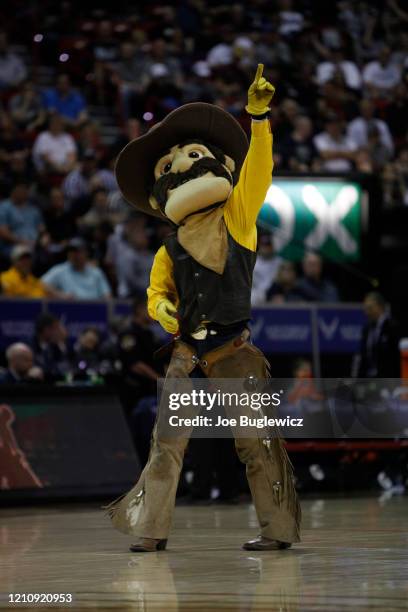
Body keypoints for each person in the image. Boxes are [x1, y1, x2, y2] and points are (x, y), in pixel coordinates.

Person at [105, 65, 301, 553]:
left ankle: (276, 531)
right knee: (166, 445)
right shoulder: (166, 248)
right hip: (186, 351)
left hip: (235, 348)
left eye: (193, 157)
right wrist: (164, 311)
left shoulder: (237, 216)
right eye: (168, 167)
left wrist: (258, 117)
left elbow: (260, 170)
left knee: (256, 443)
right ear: (158, 195)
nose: (182, 168)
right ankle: (151, 530)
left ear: (222, 168)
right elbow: (156, 295)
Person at [42, 237, 111, 299]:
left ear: (86, 252)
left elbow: (107, 295)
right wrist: (60, 295)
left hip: (94, 310)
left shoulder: (96, 272)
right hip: (70, 310)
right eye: (71, 251)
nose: (75, 255)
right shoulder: (60, 270)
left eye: (78, 251)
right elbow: (40, 285)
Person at [356, 292, 401, 378]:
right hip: (370, 380)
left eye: (370, 308)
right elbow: (363, 357)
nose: (367, 313)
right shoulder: (367, 329)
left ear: (379, 307)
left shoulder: (392, 327)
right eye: (365, 309)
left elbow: (396, 358)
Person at [0, 182, 44, 258]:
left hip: (35, 243)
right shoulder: (4, 207)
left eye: (25, 191)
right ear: (13, 191)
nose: (23, 193)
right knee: (25, 254)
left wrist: (44, 236)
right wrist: (21, 241)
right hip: (14, 244)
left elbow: (41, 228)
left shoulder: (33, 209)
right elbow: (3, 231)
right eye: (20, 190)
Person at [31, 313, 72, 383]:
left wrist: (60, 343)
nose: (59, 331)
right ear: (46, 330)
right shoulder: (28, 347)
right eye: (56, 328)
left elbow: (63, 367)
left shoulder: (54, 346)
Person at [251, 232, 282, 305]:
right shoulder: (253, 262)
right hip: (256, 295)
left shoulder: (279, 261)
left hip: (274, 294)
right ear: (260, 245)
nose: (266, 248)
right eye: (264, 245)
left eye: (268, 245)